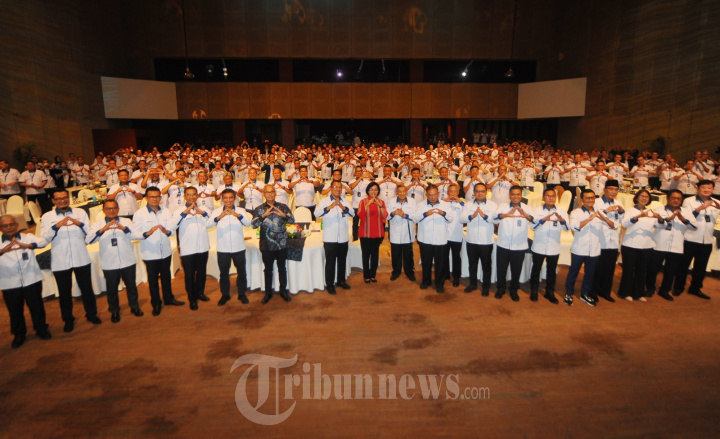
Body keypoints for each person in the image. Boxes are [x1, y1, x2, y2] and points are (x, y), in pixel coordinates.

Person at [41, 189, 101, 332]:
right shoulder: (47, 217)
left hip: (80, 256)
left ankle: (91, 314)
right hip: (60, 259)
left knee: (87, 289)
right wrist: (56, 226)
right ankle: (68, 319)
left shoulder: (80, 212)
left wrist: (79, 224)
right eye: (58, 199)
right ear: (53, 201)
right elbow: (44, 239)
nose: (62, 201)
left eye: (64, 198)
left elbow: (89, 233)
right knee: (64, 293)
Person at [86, 200, 143, 322]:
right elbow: (89, 241)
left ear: (118, 209)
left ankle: (134, 306)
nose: (111, 211)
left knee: (131, 286)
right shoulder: (97, 224)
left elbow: (135, 236)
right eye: (108, 208)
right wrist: (102, 230)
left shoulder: (126, 221)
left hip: (127, 260)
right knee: (112, 289)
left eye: (114, 208)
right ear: (103, 210)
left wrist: (124, 229)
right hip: (109, 262)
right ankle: (114, 310)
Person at [0, 215, 51, 348]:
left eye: (11, 224)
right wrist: (3, 250)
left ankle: (41, 329)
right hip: (9, 283)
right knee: (15, 310)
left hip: (31, 279)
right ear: (0, 228)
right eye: (5, 226)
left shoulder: (27, 237)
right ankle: (19, 334)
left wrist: (28, 245)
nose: (9, 227)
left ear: (17, 225)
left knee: (37, 306)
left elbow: (43, 242)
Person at [132, 187, 184, 316]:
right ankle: (156, 303)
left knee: (166, 277)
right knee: (153, 280)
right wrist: (147, 233)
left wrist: (167, 231)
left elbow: (172, 231)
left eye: (157, 196)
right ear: (146, 198)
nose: (155, 199)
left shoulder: (166, 211)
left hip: (165, 251)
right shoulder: (139, 214)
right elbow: (134, 234)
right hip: (150, 253)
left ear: (160, 198)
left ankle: (169, 298)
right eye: (151, 196)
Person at [646, 190, 696, 301]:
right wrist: (665, 219)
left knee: (671, 271)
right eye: (673, 198)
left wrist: (683, 219)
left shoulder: (686, 212)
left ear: (681, 200)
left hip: (676, 246)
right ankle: (650, 288)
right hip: (659, 244)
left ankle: (665, 290)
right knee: (653, 268)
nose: (676, 200)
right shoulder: (659, 210)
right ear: (668, 199)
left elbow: (694, 227)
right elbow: (653, 224)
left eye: (678, 198)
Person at [675, 180, 720, 299]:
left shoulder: (717, 203)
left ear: (713, 190)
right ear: (697, 188)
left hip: (707, 240)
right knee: (683, 265)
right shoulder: (689, 201)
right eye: (703, 187)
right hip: (690, 238)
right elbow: (685, 217)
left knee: (701, 267)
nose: (706, 190)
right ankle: (678, 287)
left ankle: (695, 288)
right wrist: (700, 208)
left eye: (709, 188)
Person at [565, 189, 610, 307]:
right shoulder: (575, 213)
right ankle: (569, 293)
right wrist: (590, 218)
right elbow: (574, 227)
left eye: (592, 198)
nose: (590, 200)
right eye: (587, 198)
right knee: (573, 272)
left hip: (594, 249)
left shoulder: (599, 213)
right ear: (581, 200)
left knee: (590, 273)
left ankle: (584, 293)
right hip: (579, 248)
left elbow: (612, 226)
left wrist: (605, 218)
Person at [207, 188, 252, 305]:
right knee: (224, 273)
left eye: (230, 197)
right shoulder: (216, 211)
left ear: (234, 199)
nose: (228, 200)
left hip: (239, 247)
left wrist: (237, 215)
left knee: (241, 271)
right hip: (223, 248)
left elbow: (248, 224)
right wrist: (219, 217)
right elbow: (208, 225)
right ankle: (225, 295)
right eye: (225, 198)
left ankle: (242, 293)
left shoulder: (241, 210)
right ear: (222, 199)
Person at [251, 185, 295, 304]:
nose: (270, 194)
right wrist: (263, 216)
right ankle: (268, 293)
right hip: (266, 244)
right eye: (267, 192)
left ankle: (283, 291)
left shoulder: (283, 206)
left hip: (281, 244)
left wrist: (284, 215)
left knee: (282, 268)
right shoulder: (259, 209)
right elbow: (253, 225)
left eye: (272, 192)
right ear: (263, 194)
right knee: (268, 269)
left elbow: (292, 220)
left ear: (275, 193)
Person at [617, 189, 661, 301]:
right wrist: (638, 216)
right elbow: (624, 224)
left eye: (646, 196)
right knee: (628, 270)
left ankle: (639, 293)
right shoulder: (630, 211)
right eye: (641, 196)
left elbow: (660, 226)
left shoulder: (651, 212)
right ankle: (625, 293)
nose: (644, 198)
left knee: (642, 270)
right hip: (630, 244)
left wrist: (660, 218)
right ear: (636, 198)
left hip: (646, 245)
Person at [172, 186, 211, 310]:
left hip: (203, 246)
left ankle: (200, 293)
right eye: (189, 195)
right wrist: (184, 213)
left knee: (201, 272)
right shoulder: (179, 211)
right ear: (184, 196)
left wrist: (202, 213)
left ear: (197, 196)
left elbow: (212, 222)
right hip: (187, 248)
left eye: (194, 194)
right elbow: (172, 226)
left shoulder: (204, 209)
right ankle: (192, 298)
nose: (192, 197)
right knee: (189, 274)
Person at [529, 188, 569, 303]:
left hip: (554, 246)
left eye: (553, 196)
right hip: (539, 245)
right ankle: (534, 290)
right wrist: (543, 220)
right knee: (536, 269)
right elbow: (532, 227)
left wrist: (562, 221)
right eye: (548, 196)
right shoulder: (537, 211)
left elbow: (567, 229)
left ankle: (549, 292)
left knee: (551, 271)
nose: (551, 198)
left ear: (556, 198)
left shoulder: (562, 211)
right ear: (543, 198)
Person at [493, 186, 533, 301]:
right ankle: (500, 288)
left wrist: (527, 216)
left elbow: (535, 220)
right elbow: (494, 217)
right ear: (509, 196)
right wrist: (505, 215)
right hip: (503, 244)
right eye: (513, 194)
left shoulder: (527, 208)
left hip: (519, 245)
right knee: (501, 269)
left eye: (518, 194)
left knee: (516, 270)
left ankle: (514, 290)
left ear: (521, 195)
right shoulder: (503, 206)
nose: (516, 196)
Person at [315, 181, 354, 295]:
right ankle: (330, 284)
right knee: (330, 262)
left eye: (340, 187)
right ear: (331, 188)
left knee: (342, 261)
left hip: (343, 237)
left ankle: (341, 281)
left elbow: (352, 214)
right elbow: (316, 214)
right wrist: (330, 207)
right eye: (335, 187)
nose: (338, 189)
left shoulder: (345, 201)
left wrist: (342, 207)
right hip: (330, 238)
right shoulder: (324, 201)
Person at [415, 184, 453, 293]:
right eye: (430, 195)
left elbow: (450, 219)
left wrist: (443, 213)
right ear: (426, 195)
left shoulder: (445, 205)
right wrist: (425, 214)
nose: (433, 197)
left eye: (435, 194)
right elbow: (415, 219)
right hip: (425, 238)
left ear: (438, 194)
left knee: (440, 263)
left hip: (440, 238)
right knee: (426, 262)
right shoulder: (421, 205)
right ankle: (426, 281)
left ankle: (439, 283)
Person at [592, 180, 625, 302]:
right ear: (604, 190)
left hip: (613, 241)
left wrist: (621, 212)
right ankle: (593, 292)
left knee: (610, 268)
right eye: (611, 189)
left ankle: (605, 292)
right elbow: (592, 217)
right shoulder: (596, 202)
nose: (613, 192)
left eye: (616, 189)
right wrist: (606, 211)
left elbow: (622, 221)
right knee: (597, 268)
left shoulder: (618, 203)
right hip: (600, 239)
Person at [461, 183, 497, 295]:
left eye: (482, 191)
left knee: (486, 265)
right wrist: (471, 216)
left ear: (486, 192)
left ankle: (486, 286)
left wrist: (484, 216)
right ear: (474, 193)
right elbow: (461, 219)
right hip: (471, 240)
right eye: (477, 191)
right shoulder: (468, 205)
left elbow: (496, 220)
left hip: (486, 241)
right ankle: (473, 284)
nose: (480, 193)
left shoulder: (493, 205)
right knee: (472, 264)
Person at [358, 182, 388, 284]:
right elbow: (361, 215)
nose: (373, 191)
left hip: (377, 232)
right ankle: (366, 275)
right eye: (371, 189)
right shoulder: (363, 202)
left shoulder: (381, 202)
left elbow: (385, 216)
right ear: (367, 191)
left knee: (375, 255)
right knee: (365, 255)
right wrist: (368, 205)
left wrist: (380, 206)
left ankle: (373, 275)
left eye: (375, 189)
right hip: (365, 233)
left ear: (378, 191)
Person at [387, 185, 418, 282]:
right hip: (395, 232)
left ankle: (409, 272)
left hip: (407, 232)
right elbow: (386, 216)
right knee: (395, 254)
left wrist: (405, 215)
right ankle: (396, 272)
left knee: (408, 255)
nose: (402, 193)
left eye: (404, 191)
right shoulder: (391, 202)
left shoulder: (412, 202)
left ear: (406, 192)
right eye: (399, 191)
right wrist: (393, 213)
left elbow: (416, 216)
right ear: (396, 193)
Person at [443, 184, 465, 287]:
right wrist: (445, 200)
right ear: (448, 192)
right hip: (444, 234)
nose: (453, 193)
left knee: (456, 257)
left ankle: (456, 277)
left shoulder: (462, 203)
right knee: (444, 255)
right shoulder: (443, 203)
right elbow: (436, 206)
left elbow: (468, 209)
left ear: (458, 192)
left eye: (455, 191)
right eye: (451, 191)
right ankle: (446, 274)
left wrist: (459, 200)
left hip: (456, 234)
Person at [349, 166, 373, 241]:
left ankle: (365, 238)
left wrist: (371, 177)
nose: (359, 172)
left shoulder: (367, 182)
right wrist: (360, 178)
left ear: (362, 172)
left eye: (360, 171)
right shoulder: (352, 181)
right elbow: (352, 186)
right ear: (355, 173)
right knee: (355, 223)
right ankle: (355, 238)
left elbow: (373, 187)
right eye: (357, 171)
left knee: (365, 223)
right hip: (355, 205)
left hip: (364, 205)